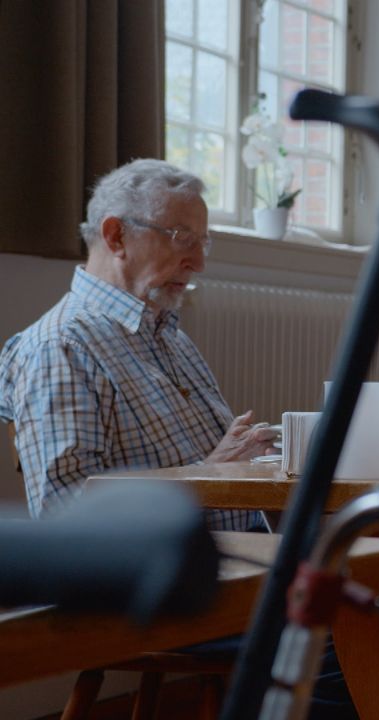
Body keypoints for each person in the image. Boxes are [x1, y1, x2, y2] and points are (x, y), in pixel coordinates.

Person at [0, 159, 273, 530]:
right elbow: (65, 515)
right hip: (172, 579)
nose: (198, 262)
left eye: (203, 242)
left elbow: (223, 467)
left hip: (245, 554)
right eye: (182, 238)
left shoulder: (171, 338)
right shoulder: (60, 347)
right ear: (116, 236)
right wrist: (207, 475)